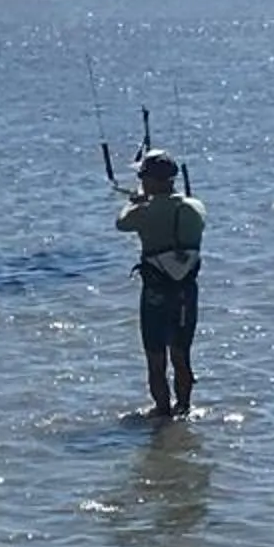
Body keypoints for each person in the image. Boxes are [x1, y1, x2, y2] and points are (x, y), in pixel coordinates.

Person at [115, 148, 205, 419]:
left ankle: (162, 412)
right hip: (186, 294)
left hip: (155, 295)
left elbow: (121, 223)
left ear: (150, 181)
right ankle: (185, 408)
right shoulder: (196, 208)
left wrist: (135, 201)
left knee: (156, 359)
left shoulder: (143, 212)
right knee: (182, 355)